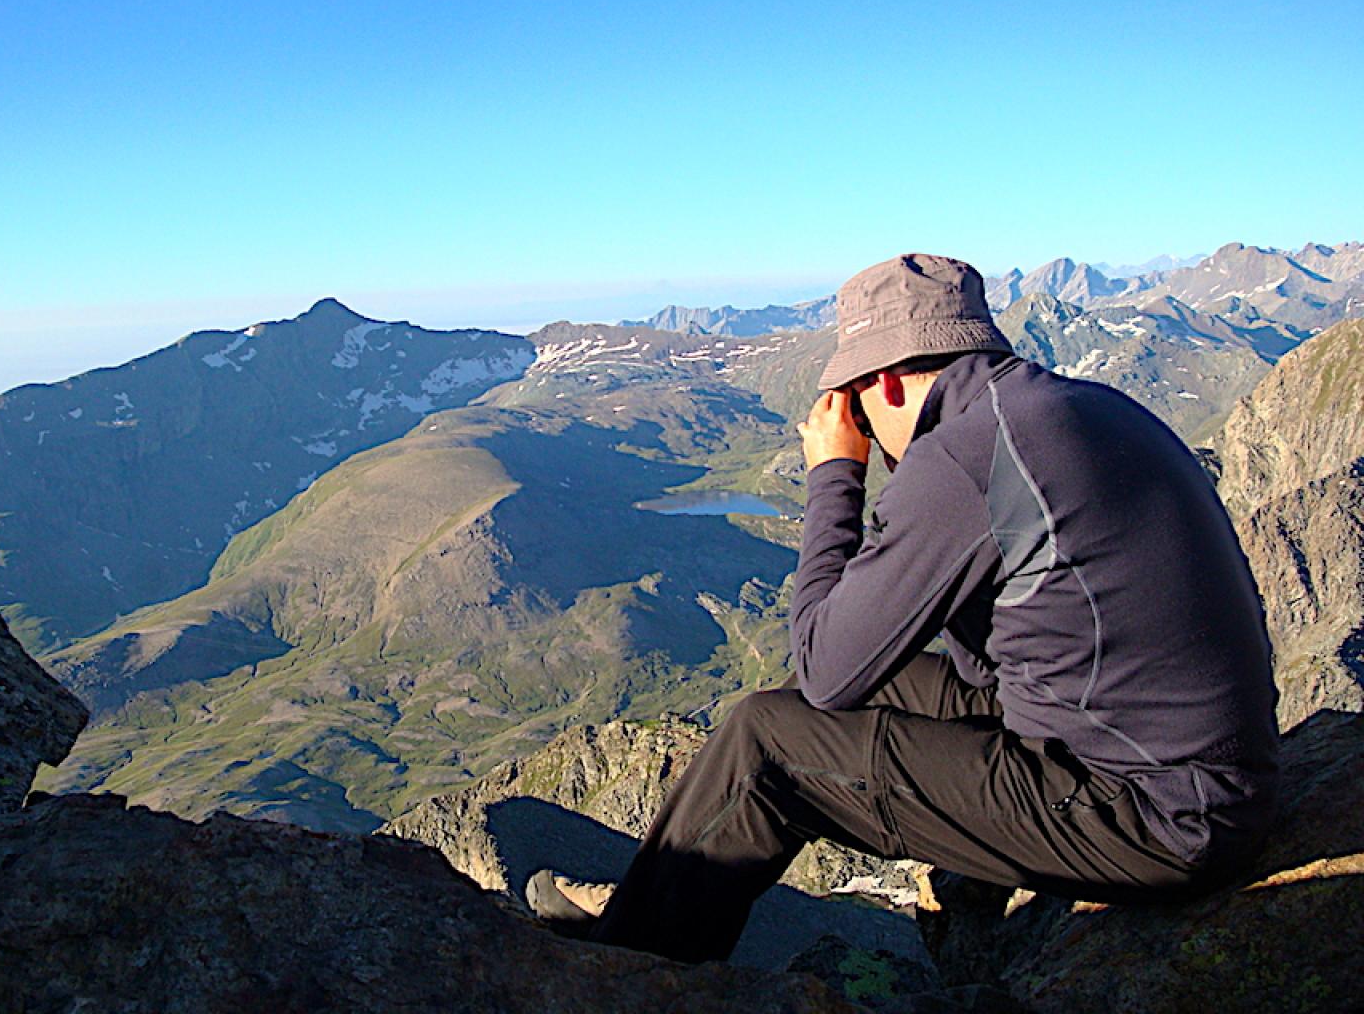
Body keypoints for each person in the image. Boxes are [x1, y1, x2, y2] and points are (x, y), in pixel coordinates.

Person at [527, 252, 1280, 965]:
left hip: (1151, 817)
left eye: (852, 405)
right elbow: (1003, 647)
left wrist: (834, 477)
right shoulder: (1073, 406)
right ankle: (652, 896)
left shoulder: (964, 453)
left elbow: (826, 671)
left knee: (769, 743)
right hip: (1182, 771)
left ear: (885, 384)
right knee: (793, 702)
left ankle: (634, 963)